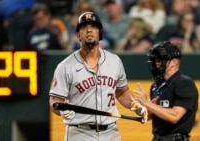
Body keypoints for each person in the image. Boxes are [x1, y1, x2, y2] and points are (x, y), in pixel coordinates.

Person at [49, 11, 148, 141]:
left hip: (110, 132)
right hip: (79, 132)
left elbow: (122, 92)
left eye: (93, 27)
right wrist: (61, 110)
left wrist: (135, 105)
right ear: (78, 35)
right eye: (84, 27)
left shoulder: (114, 61)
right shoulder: (65, 66)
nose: (89, 30)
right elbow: (54, 101)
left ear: (100, 33)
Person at [134, 41, 198, 141]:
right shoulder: (157, 85)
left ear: (173, 62)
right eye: (155, 59)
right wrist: (146, 107)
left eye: (160, 59)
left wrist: (147, 103)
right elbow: (150, 116)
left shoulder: (184, 83)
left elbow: (175, 116)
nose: (156, 63)